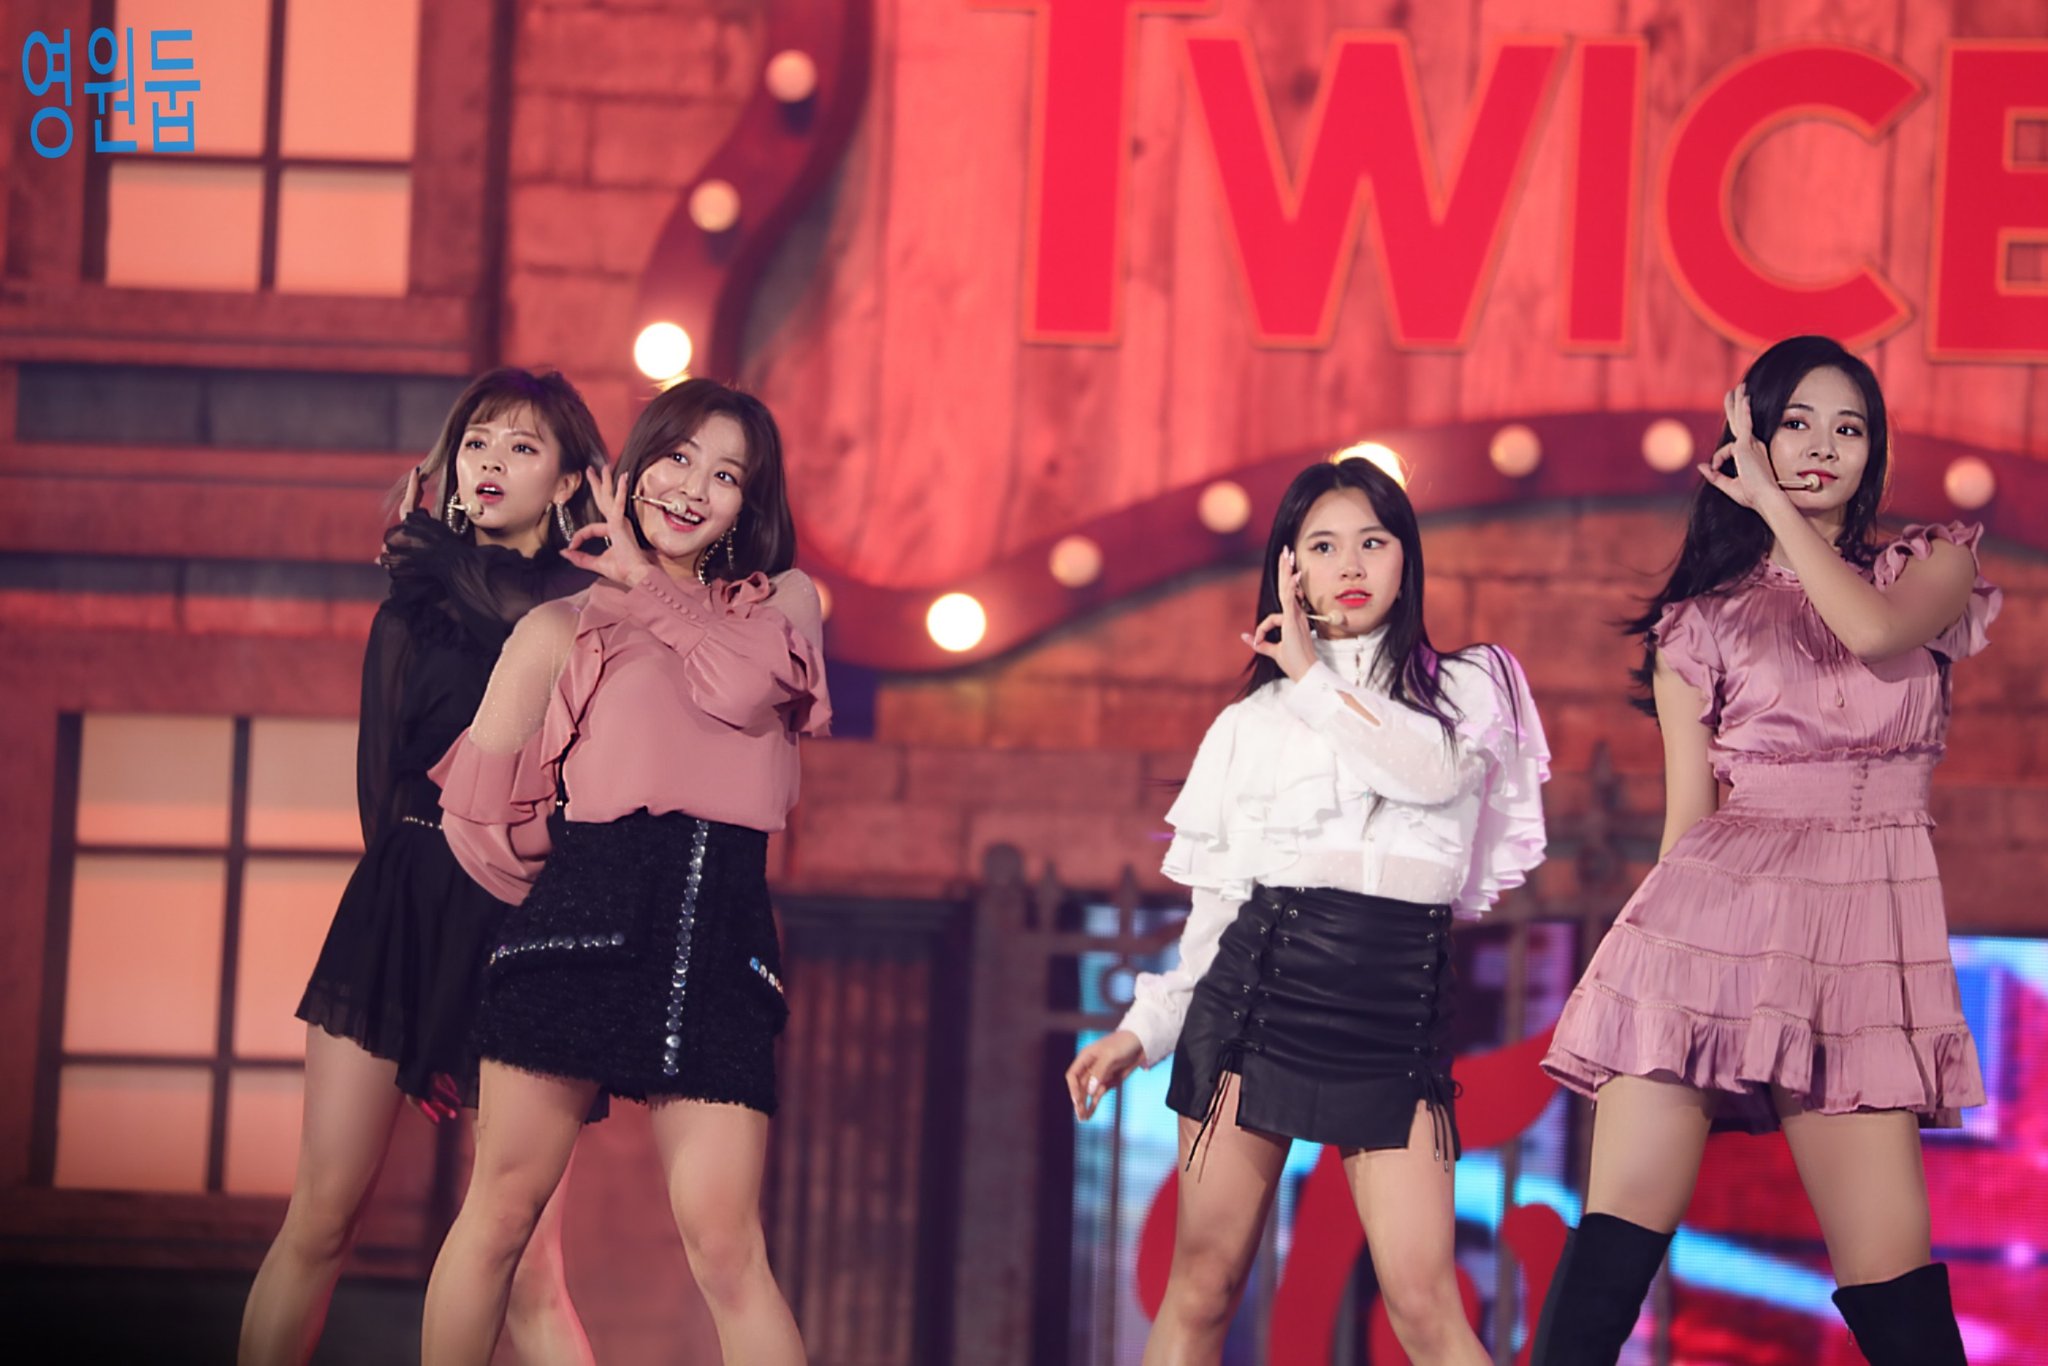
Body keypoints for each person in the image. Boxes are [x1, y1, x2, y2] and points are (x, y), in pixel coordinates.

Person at [1536, 336, 2000, 1366]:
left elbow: (1872, 633)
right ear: (1749, 439)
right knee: (1611, 1251)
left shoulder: (1931, 566)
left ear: (1873, 454)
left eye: (1848, 429)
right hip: (1707, 929)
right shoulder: (1697, 625)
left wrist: (1774, 512)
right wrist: (1643, 967)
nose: (1821, 447)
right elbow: (1686, 825)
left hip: (1858, 938)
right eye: (1795, 424)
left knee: (1894, 1282)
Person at [1066, 456, 1550, 1365]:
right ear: (1290, 569)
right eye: (1323, 547)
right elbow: (1215, 920)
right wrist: (1142, 1031)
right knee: (1204, 1284)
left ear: (1407, 558)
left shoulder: (1468, 688)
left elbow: (1429, 773)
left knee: (1424, 1304)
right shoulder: (1250, 726)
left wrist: (1312, 678)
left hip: (1393, 1024)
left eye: (1373, 542)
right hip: (1254, 1009)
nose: (1350, 565)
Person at [418, 378, 828, 1366]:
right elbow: (477, 814)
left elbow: (738, 690)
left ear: (747, 505)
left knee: (727, 1245)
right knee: (500, 1216)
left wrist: (644, 580)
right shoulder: (558, 628)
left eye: (725, 475)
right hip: (581, 919)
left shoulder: (780, 604)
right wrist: (564, 883)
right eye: (677, 458)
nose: (692, 487)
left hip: (722, 937)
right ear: (634, 468)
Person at [242, 367, 607, 1366]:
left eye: (522, 447)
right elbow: (381, 789)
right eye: (477, 441)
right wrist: (420, 940)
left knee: (530, 1270)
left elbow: (546, 671)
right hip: (404, 903)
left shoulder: (594, 611)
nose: (490, 462)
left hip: (528, 926)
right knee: (320, 1220)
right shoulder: (412, 603)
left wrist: (442, 556)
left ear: (567, 480)